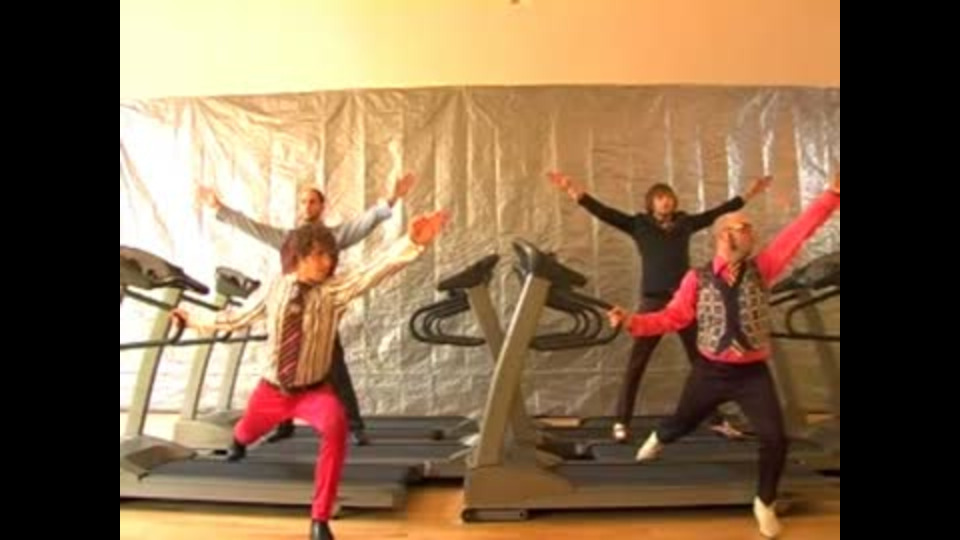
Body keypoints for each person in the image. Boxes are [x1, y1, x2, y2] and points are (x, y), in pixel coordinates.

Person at [173, 210, 449, 540]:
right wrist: (191, 320)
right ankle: (239, 441)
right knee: (247, 430)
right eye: (319, 255)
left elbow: (372, 272)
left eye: (330, 255)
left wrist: (412, 241)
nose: (327, 262)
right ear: (299, 257)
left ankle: (320, 518)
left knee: (336, 424)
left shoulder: (332, 292)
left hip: (314, 392)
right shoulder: (276, 288)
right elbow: (237, 318)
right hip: (272, 391)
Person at [606, 172, 841, 538]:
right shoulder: (696, 279)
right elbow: (672, 317)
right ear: (720, 236)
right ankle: (661, 437)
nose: (743, 233)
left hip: (752, 375)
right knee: (681, 423)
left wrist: (831, 196)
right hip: (710, 373)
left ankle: (764, 502)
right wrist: (633, 322)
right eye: (736, 228)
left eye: (747, 228)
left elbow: (798, 233)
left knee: (775, 438)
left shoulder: (764, 267)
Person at [547, 171, 771, 442]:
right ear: (651, 203)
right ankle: (621, 421)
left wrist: (750, 193)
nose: (666, 202)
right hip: (653, 300)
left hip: (684, 300)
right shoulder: (638, 225)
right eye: (660, 198)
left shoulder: (685, 223)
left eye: (669, 197)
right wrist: (573, 191)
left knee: (703, 363)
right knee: (637, 363)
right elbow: (605, 213)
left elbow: (718, 212)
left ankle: (716, 420)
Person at [197, 173, 415, 445]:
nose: (308, 206)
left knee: (335, 367)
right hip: (288, 312)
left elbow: (364, 223)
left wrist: (392, 198)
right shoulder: (286, 238)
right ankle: (284, 425)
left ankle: (354, 425)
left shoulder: (333, 236)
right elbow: (253, 227)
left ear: (322, 206)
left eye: (313, 201)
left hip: (320, 310)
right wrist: (218, 207)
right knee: (282, 368)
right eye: (303, 201)